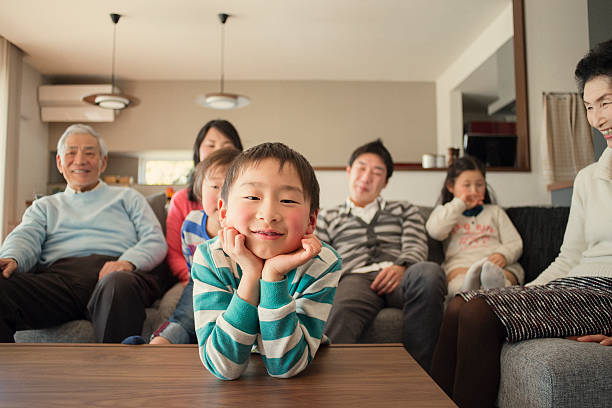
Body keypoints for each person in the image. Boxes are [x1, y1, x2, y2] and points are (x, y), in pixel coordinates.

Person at [430, 39, 612, 408]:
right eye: (590, 107)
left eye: (606, 102)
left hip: (606, 293)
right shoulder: (588, 178)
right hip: (575, 285)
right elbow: (568, 256)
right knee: (460, 305)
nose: (597, 119)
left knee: (481, 312)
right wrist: (523, 295)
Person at [0, 124, 167, 343]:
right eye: (71, 152)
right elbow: (26, 236)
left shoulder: (128, 197)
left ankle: (115, 375)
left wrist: (127, 262)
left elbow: (154, 239)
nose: (80, 160)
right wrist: (12, 257)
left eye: (89, 153)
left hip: (115, 275)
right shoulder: (45, 206)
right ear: (60, 162)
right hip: (59, 281)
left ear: (103, 162)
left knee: (118, 284)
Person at [192, 143, 342, 379]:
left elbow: (286, 366)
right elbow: (223, 367)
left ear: (311, 220)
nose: (268, 214)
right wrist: (251, 275)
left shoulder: (322, 263)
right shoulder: (210, 258)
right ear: (223, 213)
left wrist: (272, 276)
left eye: (288, 201)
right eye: (253, 196)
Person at [316, 139, 446, 372]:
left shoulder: (404, 209)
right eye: (361, 168)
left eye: (377, 172)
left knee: (429, 272)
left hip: (402, 274)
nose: (366, 177)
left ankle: (419, 374)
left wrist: (402, 267)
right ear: (348, 171)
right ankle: (327, 383)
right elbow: (320, 257)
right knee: (342, 307)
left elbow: (416, 243)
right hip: (353, 277)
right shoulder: (328, 217)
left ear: (385, 182)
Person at [124, 148, 241, 345]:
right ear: (199, 190)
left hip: (240, 285)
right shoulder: (191, 224)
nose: (222, 196)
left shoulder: (249, 229)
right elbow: (191, 265)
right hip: (202, 281)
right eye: (214, 186)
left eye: (232, 188)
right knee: (184, 315)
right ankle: (160, 343)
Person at [426, 155, 523, 298]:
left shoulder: (495, 212)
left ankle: (496, 289)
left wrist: (503, 255)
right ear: (450, 186)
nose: (474, 191)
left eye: (479, 185)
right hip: (462, 266)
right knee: (456, 280)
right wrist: (459, 204)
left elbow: (514, 242)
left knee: (507, 275)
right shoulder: (445, 212)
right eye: (467, 185)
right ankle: (468, 289)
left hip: (496, 265)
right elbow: (436, 231)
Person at [166, 120, 243, 284]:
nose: (219, 151)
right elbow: (176, 252)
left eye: (227, 146)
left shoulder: (245, 218)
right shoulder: (188, 215)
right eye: (211, 145)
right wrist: (193, 278)